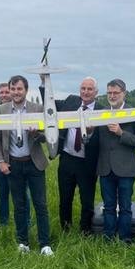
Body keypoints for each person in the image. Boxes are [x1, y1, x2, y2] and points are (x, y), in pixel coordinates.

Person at [0, 75, 53, 255]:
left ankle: (45, 244)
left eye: (19, 89)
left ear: (26, 90)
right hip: (13, 165)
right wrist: (1, 161)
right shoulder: (2, 109)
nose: (16, 92)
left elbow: (46, 137)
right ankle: (23, 243)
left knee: (40, 204)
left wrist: (36, 134)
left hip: (34, 164)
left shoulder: (37, 108)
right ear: (9, 90)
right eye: (13, 89)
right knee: (19, 205)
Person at [40, 75, 104, 234]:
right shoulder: (70, 101)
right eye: (83, 88)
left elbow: (101, 140)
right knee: (65, 198)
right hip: (67, 160)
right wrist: (44, 83)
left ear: (96, 92)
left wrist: (91, 133)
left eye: (90, 89)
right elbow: (50, 106)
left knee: (87, 200)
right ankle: (65, 229)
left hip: (87, 163)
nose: (86, 92)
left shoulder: (102, 110)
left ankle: (86, 231)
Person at [97, 79, 135, 243]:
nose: (112, 96)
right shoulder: (100, 113)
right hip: (105, 168)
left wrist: (120, 133)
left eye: (115, 93)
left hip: (126, 169)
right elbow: (95, 140)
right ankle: (109, 237)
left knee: (125, 207)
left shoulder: (134, 113)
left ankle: (125, 238)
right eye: (109, 93)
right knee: (108, 206)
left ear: (124, 93)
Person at [0, 82, 30, 227]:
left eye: (6, 92)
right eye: (2, 93)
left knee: (23, 193)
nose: (4, 95)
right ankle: (4, 222)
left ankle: (26, 221)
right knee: (3, 192)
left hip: (18, 159)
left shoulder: (19, 111)